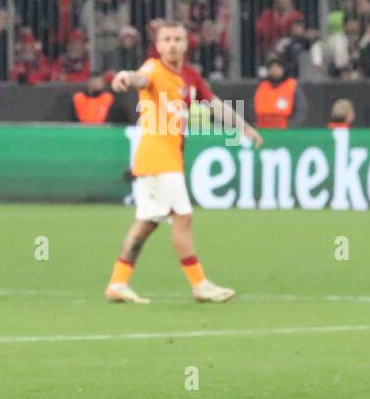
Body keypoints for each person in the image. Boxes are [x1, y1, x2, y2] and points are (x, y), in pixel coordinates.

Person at [105, 20, 262, 304]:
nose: (172, 44)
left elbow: (213, 103)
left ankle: (117, 283)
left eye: (178, 39)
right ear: (158, 45)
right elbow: (139, 78)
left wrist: (244, 127)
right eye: (166, 39)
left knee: (147, 223)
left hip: (167, 157)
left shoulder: (190, 75)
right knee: (183, 216)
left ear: (187, 43)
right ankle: (199, 283)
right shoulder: (153, 68)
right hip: (158, 156)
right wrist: (125, 76)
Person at [253, 54, 304, 129]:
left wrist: (290, 126)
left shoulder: (292, 85)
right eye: (272, 67)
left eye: (278, 67)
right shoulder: (261, 86)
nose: (275, 70)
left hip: (284, 128)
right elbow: (251, 107)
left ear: (283, 69)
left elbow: (301, 109)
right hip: (261, 127)